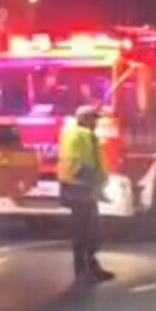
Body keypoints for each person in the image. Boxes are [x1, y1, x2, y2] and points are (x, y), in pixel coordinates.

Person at [58, 106, 114, 284]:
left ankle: (86, 268)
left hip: (78, 188)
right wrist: (95, 183)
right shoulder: (83, 135)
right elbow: (80, 164)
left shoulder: (73, 133)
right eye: (93, 119)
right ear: (85, 119)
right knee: (87, 231)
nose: (96, 123)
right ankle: (85, 269)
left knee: (85, 230)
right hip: (82, 189)